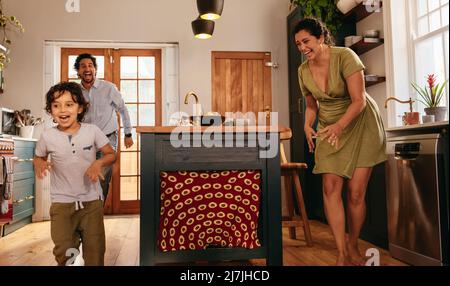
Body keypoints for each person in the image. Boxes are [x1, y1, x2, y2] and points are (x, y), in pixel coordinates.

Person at [294, 18, 387, 266]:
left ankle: (353, 244)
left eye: (306, 41)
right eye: (298, 44)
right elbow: (312, 105)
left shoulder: (345, 56)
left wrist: (339, 126)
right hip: (329, 127)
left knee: (356, 193)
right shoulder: (303, 71)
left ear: (321, 38)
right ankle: (342, 252)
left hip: (360, 123)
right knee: (330, 189)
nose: (302, 48)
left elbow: (359, 101)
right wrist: (307, 124)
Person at [34, 82, 116, 266]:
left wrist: (98, 162)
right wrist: (39, 163)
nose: (62, 109)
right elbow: (38, 156)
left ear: (80, 108)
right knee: (64, 250)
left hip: (91, 203)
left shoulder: (92, 131)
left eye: (69, 104)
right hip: (62, 205)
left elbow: (111, 154)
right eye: (56, 105)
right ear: (51, 110)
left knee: (95, 253)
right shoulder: (47, 136)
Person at [74, 53, 134, 202]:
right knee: (83, 178)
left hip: (107, 139)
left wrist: (128, 134)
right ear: (78, 71)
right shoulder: (74, 91)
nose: (87, 69)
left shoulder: (108, 88)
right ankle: (85, 216)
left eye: (90, 66)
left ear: (95, 70)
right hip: (83, 140)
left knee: (101, 179)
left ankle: (96, 216)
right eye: (83, 66)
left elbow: (123, 109)